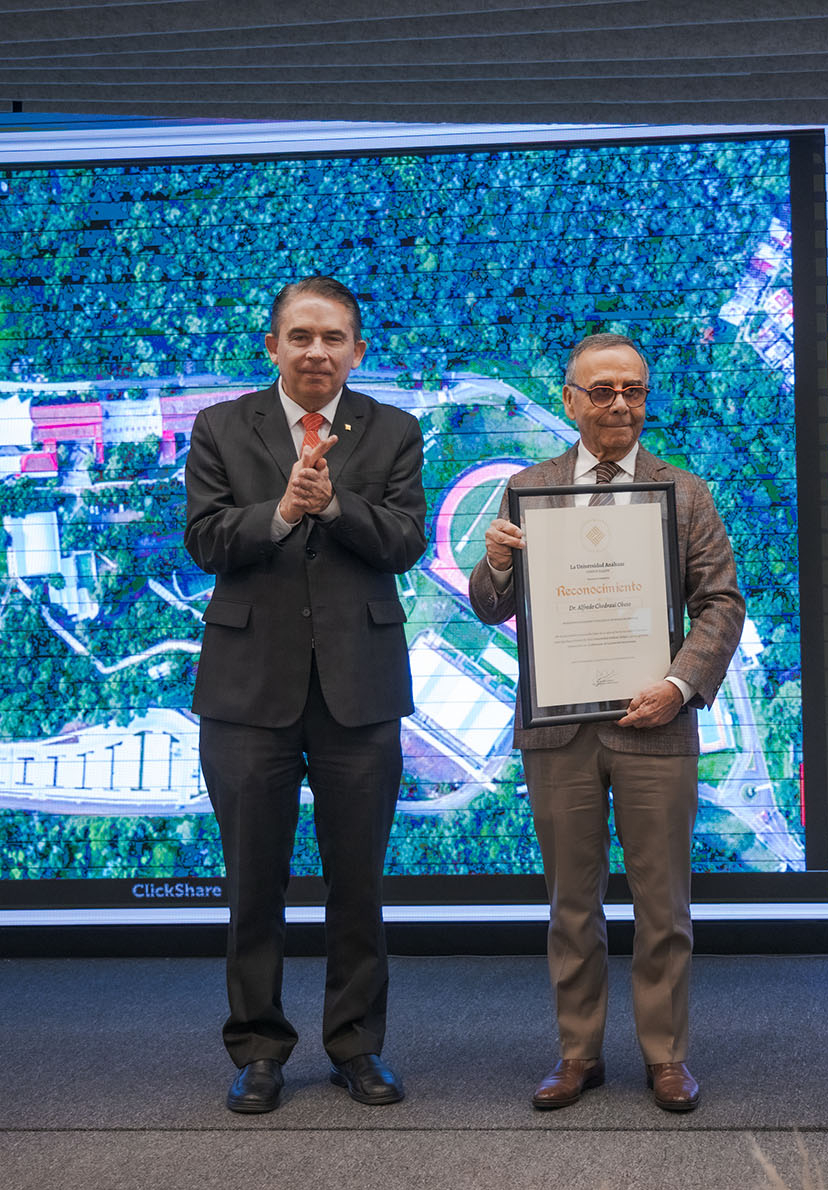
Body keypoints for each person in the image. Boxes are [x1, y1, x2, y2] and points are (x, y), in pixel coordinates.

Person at [468, 332, 744, 1113]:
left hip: (656, 725)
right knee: (571, 905)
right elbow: (491, 607)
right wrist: (495, 560)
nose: (619, 403)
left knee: (664, 903)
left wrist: (679, 685)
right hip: (559, 732)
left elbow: (720, 603)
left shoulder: (683, 493)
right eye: (602, 390)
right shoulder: (528, 488)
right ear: (570, 399)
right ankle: (577, 1054)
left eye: (633, 389)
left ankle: (665, 1056)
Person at [184, 275, 427, 1115]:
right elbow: (207, 540)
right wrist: (282, 514)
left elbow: (403, 543)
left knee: (356, 884)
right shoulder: (220, 427)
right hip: (247, 695)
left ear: (358, 349)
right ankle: (258, 1050)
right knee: (254, 884)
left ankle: (357, 1048)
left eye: (333, 338)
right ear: (273, 346)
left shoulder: (394, 430)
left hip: (359, 693)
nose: (316, 351)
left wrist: (336, 505)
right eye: (300, 336)